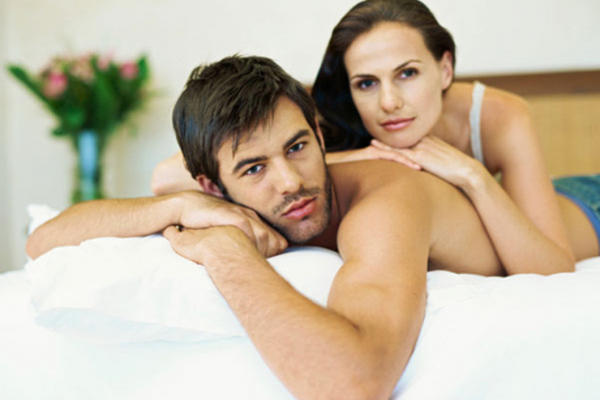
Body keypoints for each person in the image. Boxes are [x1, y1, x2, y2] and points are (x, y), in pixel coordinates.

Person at [27, 55, 551, 399]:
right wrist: (176, 208)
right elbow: (43, 241)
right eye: (254, 168)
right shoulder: (208, 198)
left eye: (297, 147)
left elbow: (356, 382)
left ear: (320, 137)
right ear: (212, 186)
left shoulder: (386, 202)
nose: (290, 182)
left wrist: (224, 252)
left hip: (581, 208)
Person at [150, 0, 599, 263]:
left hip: (584, 203)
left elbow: (554, 268)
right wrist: (350, 156)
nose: (388, 102)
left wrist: (472, 176)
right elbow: (167, 177)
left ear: (444, 68)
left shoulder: (497, 115)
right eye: (366, 83)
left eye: (407, 73)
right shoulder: (322, 121)